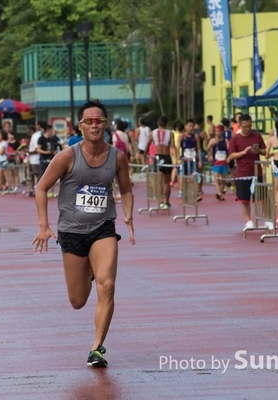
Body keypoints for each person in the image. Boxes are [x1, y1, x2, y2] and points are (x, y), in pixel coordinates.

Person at [32, 99, 135, 368]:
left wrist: (128, 214)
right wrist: (44, 225)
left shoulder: (117, 157)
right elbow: (41, 188)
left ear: (105, 124)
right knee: (78, 300)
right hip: (72, 231)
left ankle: (97, 348)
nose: (93, 124)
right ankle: (89, 269)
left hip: (103, 229)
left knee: (108, 285)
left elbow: (126, 189)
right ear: (80, 125)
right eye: (88, 120)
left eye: (98, 120)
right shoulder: (67, 156)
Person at [226, 114, 267, 230]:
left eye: (249, 126)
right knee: (244, 199)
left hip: (256, 171)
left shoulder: (257, 136)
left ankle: (267, 219)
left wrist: (259, 150)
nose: (248, 129)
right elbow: (232, 155)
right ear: (240, 126)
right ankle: (248, 220)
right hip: (243, 173)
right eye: (245, 126)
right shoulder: (235, 139)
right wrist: (243, 152)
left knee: (262, 198)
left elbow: (265, 151)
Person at [144, 115, 174, 209]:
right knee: (167, 182)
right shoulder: (170, 133)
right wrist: (175, 157)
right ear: (167, 123)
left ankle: (161, 201)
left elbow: (148, 144)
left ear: (158, 122)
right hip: (167, 157)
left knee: (159, 181)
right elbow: (173, 146)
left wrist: (145, 154)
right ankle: (167, 201)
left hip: (157, 157)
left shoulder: (153, 133)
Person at [206, 124, 229, 201]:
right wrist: (210, 155)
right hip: (216, 162)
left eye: (218, 131)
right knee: (216, 179)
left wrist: (229, 158)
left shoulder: (225, 140)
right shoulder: (213, 140)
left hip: (224, 162)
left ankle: (220, 193)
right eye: (216, 131)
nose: (216, 132)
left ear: (222, 132)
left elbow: (229, 149)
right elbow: (207, 148)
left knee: (223, 180)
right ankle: (219, 193)